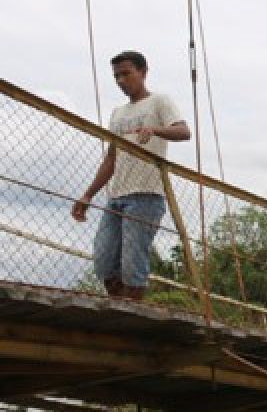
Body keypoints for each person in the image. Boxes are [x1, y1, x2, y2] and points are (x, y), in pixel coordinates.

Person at [72, 51, 190, 301]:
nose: (121, 80)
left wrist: (155, 129)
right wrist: (87, 195)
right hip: (117, 194)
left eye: (126, 73)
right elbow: (111, 159)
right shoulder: (118, 113)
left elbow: (183, 131)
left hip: (146, 194)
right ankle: (120, 306)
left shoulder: (159, 102)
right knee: (104, 258)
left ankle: (132, 310)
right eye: (116, 76)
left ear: (143, 71)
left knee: (132, 263)